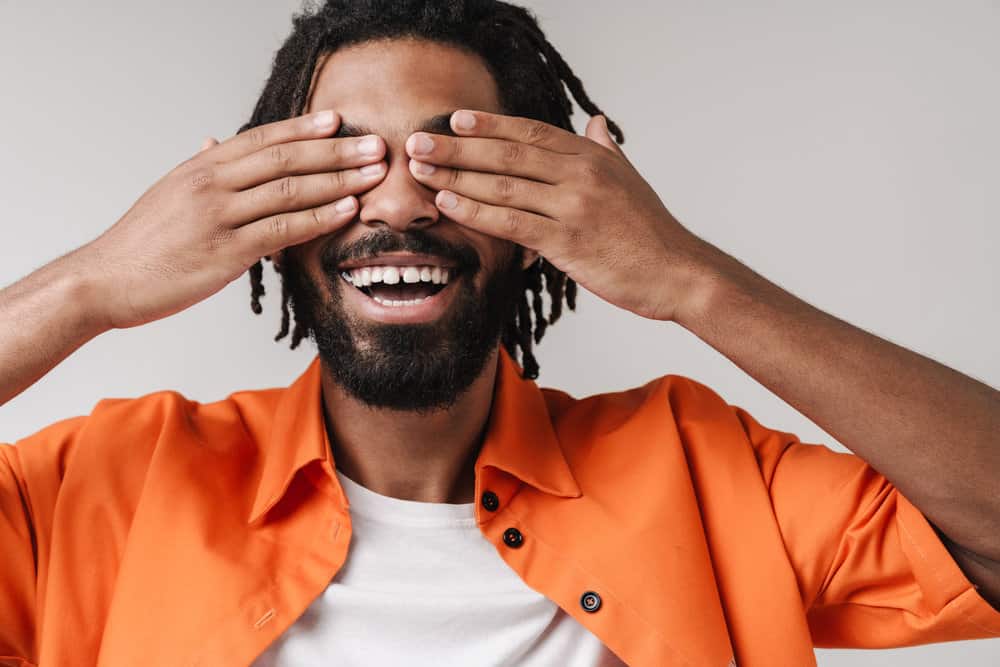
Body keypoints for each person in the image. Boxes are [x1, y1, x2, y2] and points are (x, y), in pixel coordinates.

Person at [1, 1, 998, 665]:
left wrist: (688, 277)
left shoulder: (701, 471)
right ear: (263, 213)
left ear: (544, 221)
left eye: (455, 160)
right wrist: (91, 283)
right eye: (340, 160)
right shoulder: (108, 482)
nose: (399, 200)